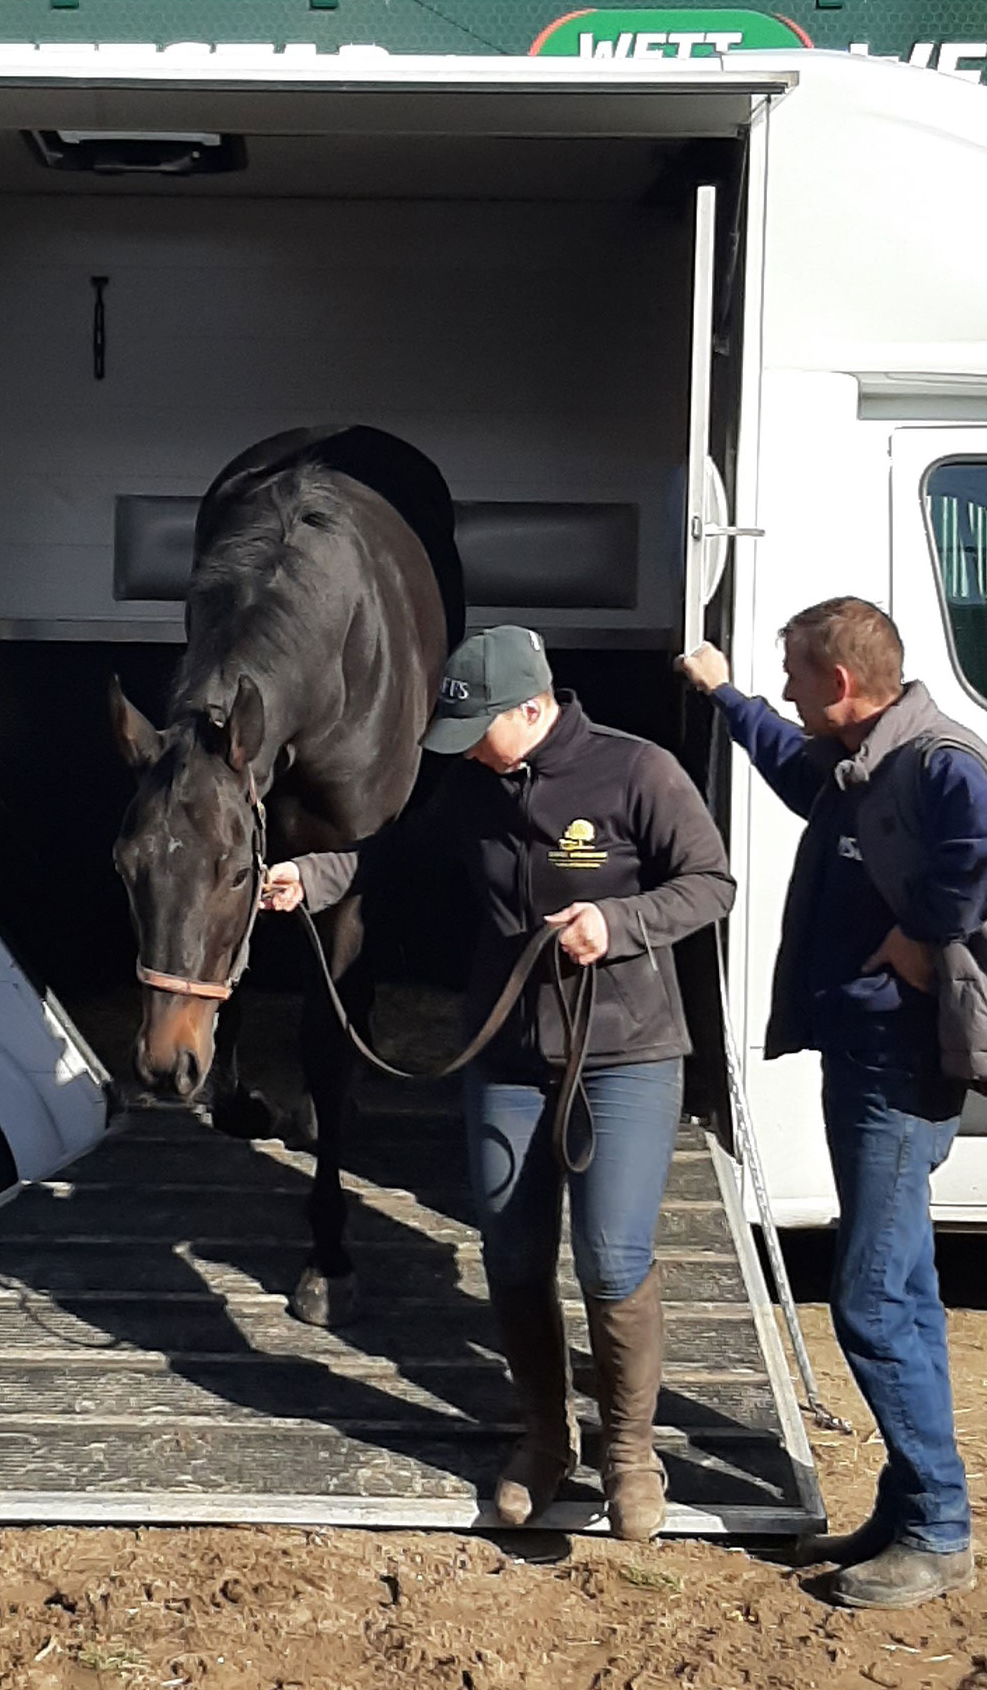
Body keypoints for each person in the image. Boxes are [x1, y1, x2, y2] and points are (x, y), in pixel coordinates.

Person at [262, 625, 734, 1539]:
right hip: (507, 1058)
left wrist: (620, 920)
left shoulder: (639, 772)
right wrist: (310, 877)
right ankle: (545, 1440)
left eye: (480, 727)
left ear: (534, 706)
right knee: (512, 1255)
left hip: (626, 1056)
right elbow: (388, 855)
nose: (467, 749)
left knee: (611, 1256)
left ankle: (630, 1457)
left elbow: (711, 883)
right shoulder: (470, 787)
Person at [680, 598, 987, 1610]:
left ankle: (938, 1530)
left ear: (840, 684)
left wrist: (920, 937)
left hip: (897, 1065)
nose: (790, 692)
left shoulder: (936, 761)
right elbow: (799, 772)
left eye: (795, 676)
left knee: (874, 1302)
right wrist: (727, 697)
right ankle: (907, 1505)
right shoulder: (864, 764)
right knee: (909, 1291)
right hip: (870, 1056)